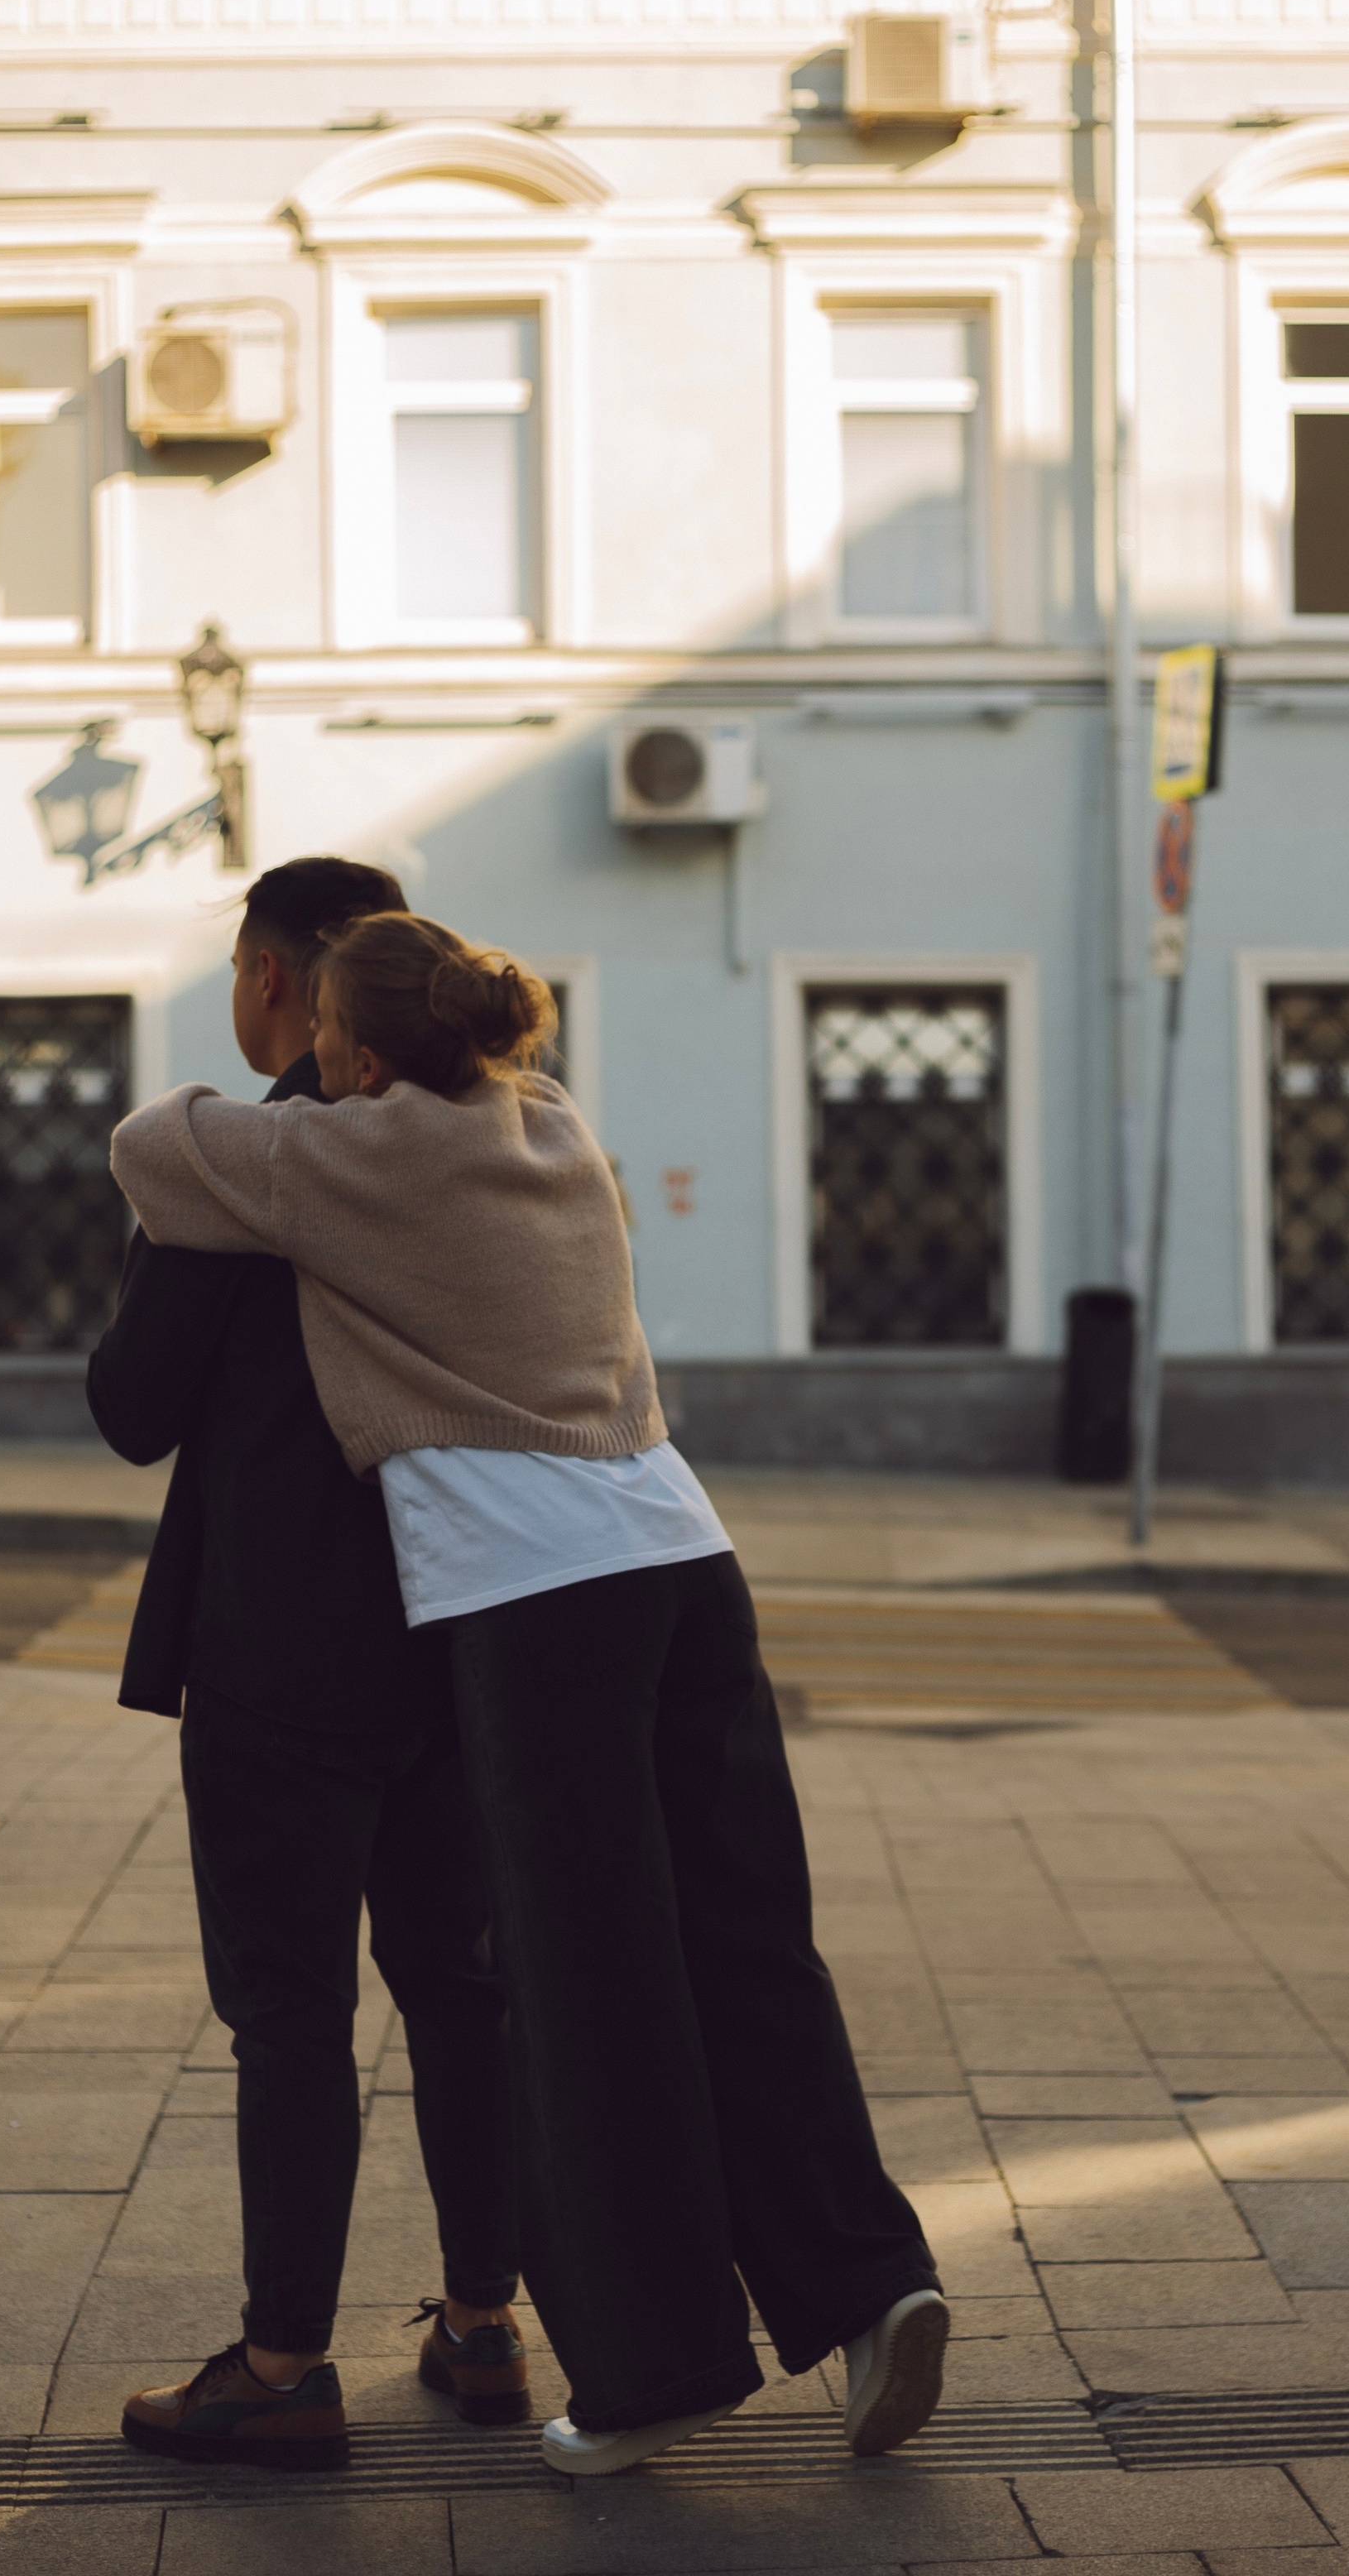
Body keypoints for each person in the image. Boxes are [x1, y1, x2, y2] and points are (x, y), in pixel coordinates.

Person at [108, 910, 948, 2479]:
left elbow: (153, 1146)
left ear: (350, 1055)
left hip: (536, 1603)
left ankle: (652, 2369)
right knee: (752, 1946)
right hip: (685, 1556)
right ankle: (872, 2278)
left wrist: (303, 1093)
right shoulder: (552, 1124)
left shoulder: (347, 1162)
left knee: (588, 1988)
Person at [88, 862, 526, 2475]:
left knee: (290, 2016)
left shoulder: (251, 1166)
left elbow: (133, 1406)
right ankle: (484, 2324)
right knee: (461, 1992)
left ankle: (282, 2362)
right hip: (460, 1632)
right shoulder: (494, 1142)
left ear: (279, 984)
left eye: (236, 966)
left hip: (278, 1653)